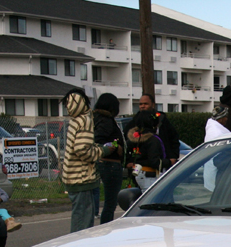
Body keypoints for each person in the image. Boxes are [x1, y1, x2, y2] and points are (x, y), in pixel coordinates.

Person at [61, 88, 115, 233]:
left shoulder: (75, 120)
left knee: (80, 218)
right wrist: (103, 150)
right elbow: (82, 150)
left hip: (72, 176)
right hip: (81, 178)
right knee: (83, 225)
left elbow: (79, 146)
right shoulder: (85, 120)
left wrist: (96, 146)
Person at [93, 93, 125, 224]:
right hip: (111, 164)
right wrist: (114, 147)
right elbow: (99, 140)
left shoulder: (96, 118)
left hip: (105, 164)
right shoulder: (106, 121)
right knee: (110, 203)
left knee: (108, 202)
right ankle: (105, 229)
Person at [125, 94, 180, 165]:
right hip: (140, 165)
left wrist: (173, 157)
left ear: (153, 104)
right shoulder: (135, 121)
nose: (142, 106)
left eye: (146, 104)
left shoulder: (161, 120)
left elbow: (174, 138)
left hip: (162, 162)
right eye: (140, 104)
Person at [126, 110, 172, 191]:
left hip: (138, 174)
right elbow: (154, 161)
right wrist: (169, 162)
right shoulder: (152, 140)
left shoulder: (132, 139)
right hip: (150, 176)